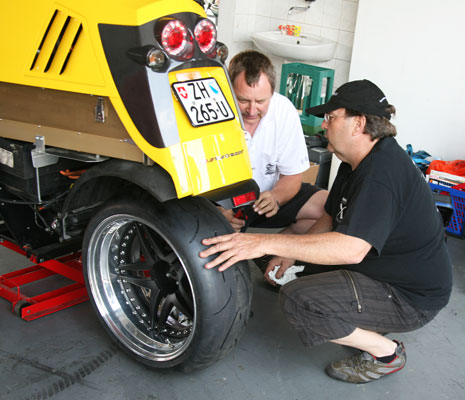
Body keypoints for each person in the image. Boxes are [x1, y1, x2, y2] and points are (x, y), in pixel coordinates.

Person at [199, 79, 453, 383]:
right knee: (275, 263)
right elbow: (332, 216)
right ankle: (363, 316)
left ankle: (386, 352)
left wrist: (260, 242)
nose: (323, 126)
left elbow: (351, 249)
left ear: (358, 124)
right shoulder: (355, 160)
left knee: (299, 300)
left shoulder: (382, 174)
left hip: (408, 295)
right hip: (381, 269)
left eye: (331, 118)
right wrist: (286, 253)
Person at [219, 50, 328, 234]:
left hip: (266, 198)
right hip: (223, 203)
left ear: (272, 93)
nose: (252, 110)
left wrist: (276, 197)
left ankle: (283, 247)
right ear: (229, 90)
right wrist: (218, 209)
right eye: (243, 100)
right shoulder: (214, 110)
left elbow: (292, 176)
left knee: (330, 208)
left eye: (261, 101)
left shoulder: (283, 109)